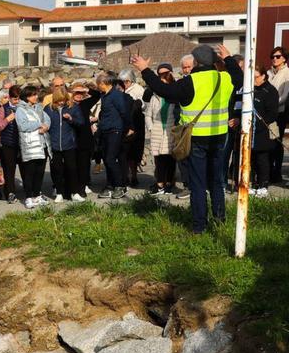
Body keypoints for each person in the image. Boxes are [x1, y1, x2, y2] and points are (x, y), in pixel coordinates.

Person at [133, 44, 242, 234]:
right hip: (219, 136)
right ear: (215, 60)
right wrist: (229, 58)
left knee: (198, 184)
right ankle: (220, 220)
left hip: (196, 138)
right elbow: (240, 78)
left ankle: (200, 226)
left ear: (196, 62)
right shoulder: (225, 78)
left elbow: (163, 90)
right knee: (216, 180)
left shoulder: (189, 81)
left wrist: (144, 69)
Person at [143, 64, 181, 195]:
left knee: (170, 159)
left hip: (171, 132)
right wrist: (151, 128)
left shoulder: (175, 97)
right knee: (159, 160)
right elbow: (148, 115)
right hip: (157, 132)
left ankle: (169, 184)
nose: (162, 86)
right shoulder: (154, 97)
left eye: (164, 81)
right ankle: (160, 185)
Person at [44, 87, 85, 203]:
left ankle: (75, 193)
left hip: (69, 144)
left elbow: (81, 122)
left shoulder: (73, 107)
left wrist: (71, 119)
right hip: (54, 144)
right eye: (59, 100)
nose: (61, 102)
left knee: (72, 168)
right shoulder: (48, 109)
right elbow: (44, 122)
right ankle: (59, 193)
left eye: (63, 99)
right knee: (57, 170)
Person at [94, 72, 130, 199]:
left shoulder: (116, 95)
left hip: (115, 130)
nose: (97, 86)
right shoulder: (104, 95)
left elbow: (124, 112)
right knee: (106, 158)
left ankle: (120, 186)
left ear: (104, 83)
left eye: (98, 84)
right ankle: (110, 185)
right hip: (105, 130)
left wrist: (128, 128)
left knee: (110, 159)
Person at [15, 86, 51, 209]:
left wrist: (46, 126)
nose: (36, 97)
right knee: (29, 173)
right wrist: (39, 124)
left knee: (39, 172)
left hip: (41, 145)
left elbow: (47, 119)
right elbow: (23, 126)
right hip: (29, 146)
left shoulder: (39, 107)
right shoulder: (20, 110)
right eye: (33, 95)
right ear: (27, 96)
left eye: (36, 94)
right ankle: (29, 197)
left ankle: (37, 195)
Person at [250, 66, 281, 197]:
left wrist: (260, 124)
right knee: (252, 159)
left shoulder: (270, 91)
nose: (254, 80)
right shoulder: (252, 90)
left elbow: (272, 113)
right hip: (251, 129)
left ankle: (264, 185)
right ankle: (254, 183)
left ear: (263, 76)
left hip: (263, 130)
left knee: (262, 159)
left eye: (256, 77)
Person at [69, 82, 100, 197]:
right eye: (76, 93)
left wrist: (86, 90)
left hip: (85, 138)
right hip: (72, 138)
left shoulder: (85, 103)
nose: (78, 95)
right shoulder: (69, 104)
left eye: (80, 93)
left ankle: (83, 186)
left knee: (85, 164)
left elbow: (97, 95)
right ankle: (74, 187)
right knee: (73, 165)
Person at [267, 46, 289, 184]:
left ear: (284, 58)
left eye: (278, 56)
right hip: (267, 112)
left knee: (277, 142)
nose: (275, 59)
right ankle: (268, 171)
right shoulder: (269, 73)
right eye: (273, 56)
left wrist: (274, 105)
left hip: (279, 112)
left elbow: (285, 95)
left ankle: (277, 173)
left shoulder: (287, 73)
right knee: (268, 142)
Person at [0, 86, 22, 203]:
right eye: (14, 99)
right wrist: (8, 119)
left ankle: (29, 192)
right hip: (8, 142)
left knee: (25, 168)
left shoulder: (23, 107)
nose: (16, 101)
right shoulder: (4, 108)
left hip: (22, 142)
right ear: (10, 98)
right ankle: (10, 193)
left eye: (18, 99)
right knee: (9, 169)